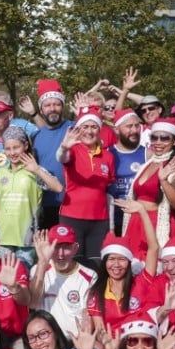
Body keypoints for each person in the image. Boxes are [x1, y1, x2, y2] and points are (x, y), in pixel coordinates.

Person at [0, 126, 62, 264]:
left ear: (25, 145)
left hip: (28, 241)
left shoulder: (35, 171)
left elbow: (58, 188)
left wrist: (37, 170)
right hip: (2, 239)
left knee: (22, 275)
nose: (12, 153)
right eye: (8, 149)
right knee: (3, 276)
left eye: (16, 147)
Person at [57, 106, 115, 260]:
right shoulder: (73, 151)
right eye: (85, 127)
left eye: (94, 127)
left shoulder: (108, 156)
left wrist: (111, 225)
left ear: (99, 130)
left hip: (99, 219)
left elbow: (108, 190)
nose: (89, 131)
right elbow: (62, 158)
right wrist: (63, 148)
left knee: (96, 263)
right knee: (74, 262)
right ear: (78, 129)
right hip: (72, 216)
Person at [123, 118, 175, 253]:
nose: (158, 142)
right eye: (154, 137)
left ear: (174, 141)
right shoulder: (149, 163)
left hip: (154, 225)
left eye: (164, 138)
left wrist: (164, 182)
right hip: (135, 223)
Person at [29, 226, 98, 337]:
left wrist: (82, 341)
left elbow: (88, 315)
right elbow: (33, 303)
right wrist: (42, 262)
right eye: (56, 247)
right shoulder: (39, 269)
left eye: (66, 247)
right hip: (45, 340)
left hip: (75, 339)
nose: (60, 254)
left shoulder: (90, 276)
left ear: (75, 248)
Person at [30, 79, 75, 229]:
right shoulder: (35, 136)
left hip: (72, 202)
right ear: (41, 109)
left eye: (56, 104)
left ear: (62, 106)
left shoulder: (74, 129)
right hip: (46, 204)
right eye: (47, 105)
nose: (52, 109)